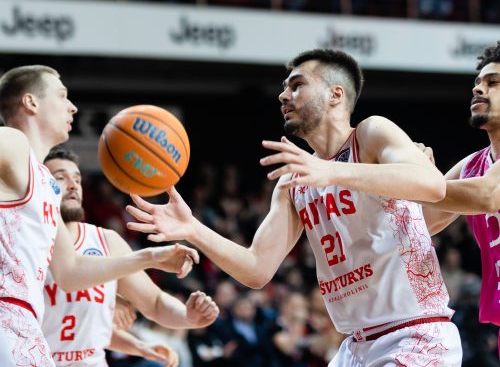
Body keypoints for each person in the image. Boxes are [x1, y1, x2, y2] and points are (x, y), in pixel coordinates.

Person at [126, 49, 462, 366]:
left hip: (416, 332)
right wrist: (194, 230)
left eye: (297, 85)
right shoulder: (295, 181)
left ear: (335, 94)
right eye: (284, 88)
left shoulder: (370, 134)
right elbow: (257, 268)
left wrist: (330, 170)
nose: (283, 96)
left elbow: (432, 184)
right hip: (356, 347)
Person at [0, 65, 198, 366]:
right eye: (62, 95)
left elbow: (71, 272)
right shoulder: (14, 144)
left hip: (24, 326)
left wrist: (151, 258)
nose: (72, 106)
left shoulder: (45, 185)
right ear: (31, 103)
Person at [42, 147, 220, 366]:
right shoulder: (22, 243)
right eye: (60, 177)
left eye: (77, 179)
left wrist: (188, 317)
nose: (72, 185)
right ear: (40, 186)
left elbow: (154, 302)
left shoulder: (106, 241)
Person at [421, 41, 500, 357]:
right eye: (477, 83)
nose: (479, 89)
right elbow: (423, 221)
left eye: (493, 82)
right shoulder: (473, 166)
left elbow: (488, 194)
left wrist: (413, 183)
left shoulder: (482, 182)